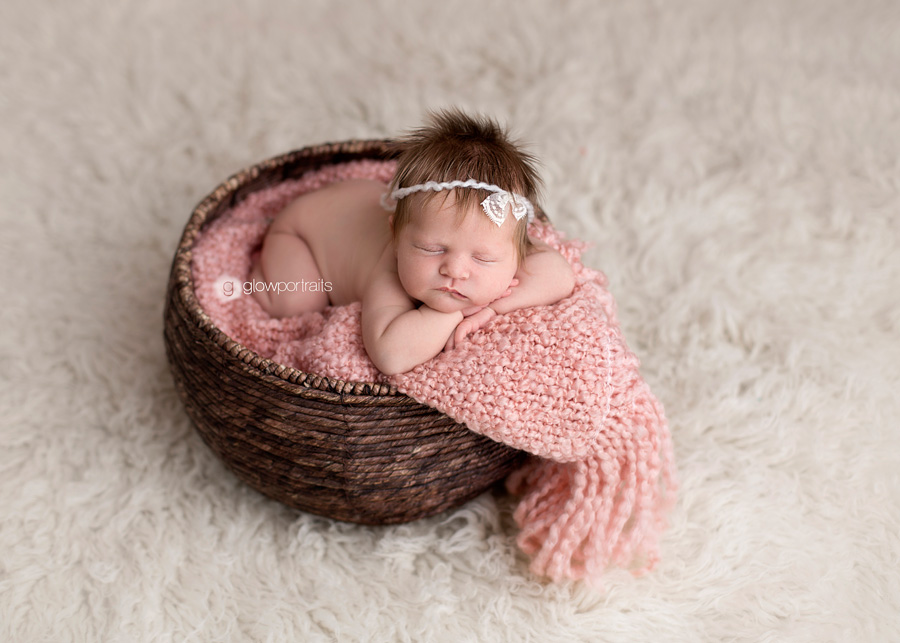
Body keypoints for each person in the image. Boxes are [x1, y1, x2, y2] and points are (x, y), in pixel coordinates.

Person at [250, 109, 575, 375]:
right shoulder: (390, 269)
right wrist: (456, 313)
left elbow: (560, 274)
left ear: (515, 253)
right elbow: (391, 354)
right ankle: (256, 279)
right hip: (303, 234)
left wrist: (490, 309)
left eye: (484, 259)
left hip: (353, 206)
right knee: (297, 302)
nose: (455, 270)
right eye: (432, 249)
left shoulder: (499, 232)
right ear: (396, 236)